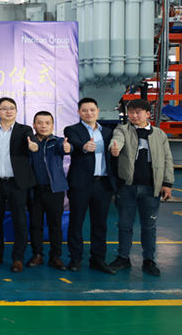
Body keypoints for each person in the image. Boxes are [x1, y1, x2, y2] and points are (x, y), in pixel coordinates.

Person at [109, 99, 175, 276]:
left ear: (148, 114)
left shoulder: (160, 134)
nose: (134, 115)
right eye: (131, 112)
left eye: (138, 112)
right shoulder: (122, 130)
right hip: (127, 187)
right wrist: (115, 149)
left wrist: (167, 183)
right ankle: (123, 257)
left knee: (149, 226)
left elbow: (167, 159)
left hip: (151, 188)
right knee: (124, 224)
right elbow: (117, 140)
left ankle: (149, 260)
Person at [63, 97, 115, 274]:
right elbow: (74, 143)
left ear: (98, 111)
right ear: (79, 112)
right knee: (76, 222)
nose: (89, 113)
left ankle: (98, 259)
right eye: (84, 110)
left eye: (92, 110)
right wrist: (84, 146)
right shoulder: (72, 129)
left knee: (100, 224)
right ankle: (75, 259)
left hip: (103, 184)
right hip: (81, 184)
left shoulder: (108, 132)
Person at [0, 97, 35, 273]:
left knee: (19, 221)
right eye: (4, 108)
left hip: (17, 183)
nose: (8, 111)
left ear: (16, 111)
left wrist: (33, 146)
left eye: (12, 108)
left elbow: (33, 143)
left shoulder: (25, 130)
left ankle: (18, 258)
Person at [26, 111, 70, 271]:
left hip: (54, 190)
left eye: (47, 123)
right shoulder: (28, 142)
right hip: (34, 190)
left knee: (55, 224)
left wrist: (67, 147)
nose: (43, 126)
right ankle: (37, 254)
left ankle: (55, 256)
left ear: (52, 125)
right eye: (40, 122)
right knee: (35, 224)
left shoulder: (57, 142)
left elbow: (65, 148)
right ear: (34, 125)